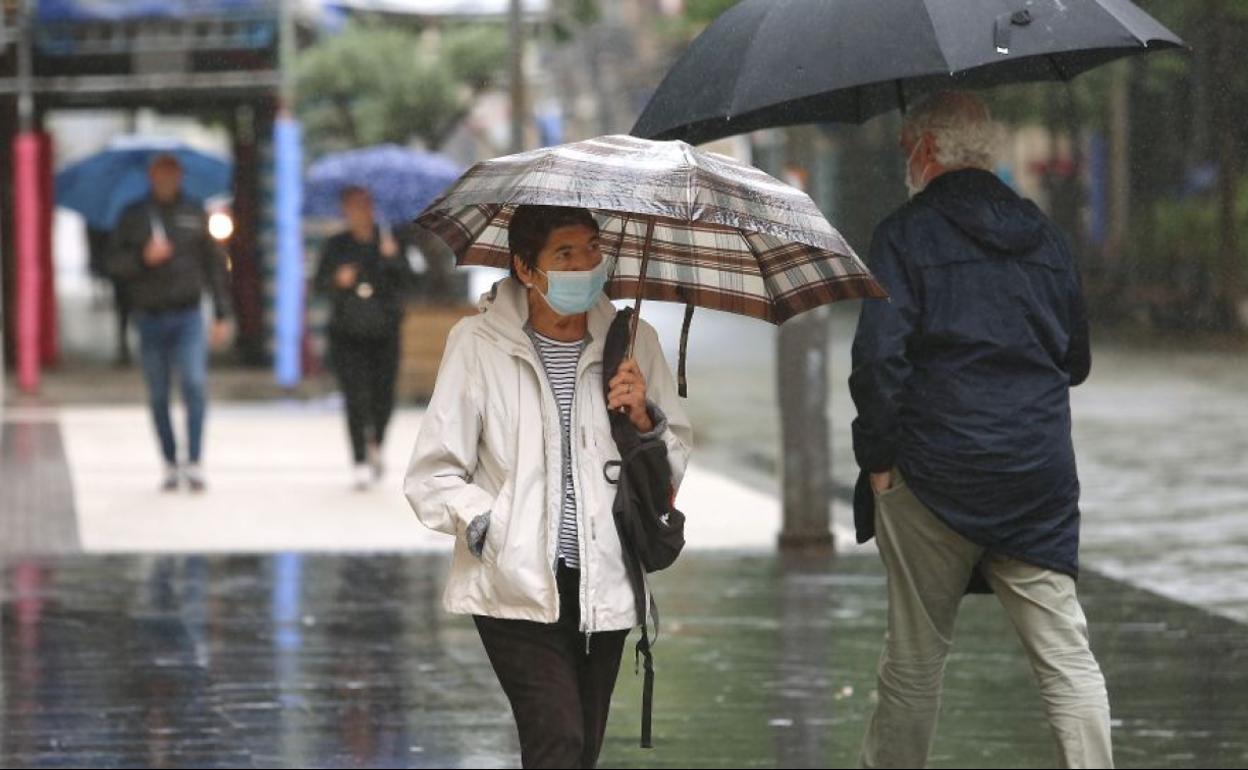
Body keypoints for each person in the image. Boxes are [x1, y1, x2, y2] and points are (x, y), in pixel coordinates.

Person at [848, 92, 1109, 769]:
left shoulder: (903, 235)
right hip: (1035, 477)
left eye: (909, 145)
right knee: (1066, 658)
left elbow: (879, 360)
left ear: (927, 150)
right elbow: (1075, 360)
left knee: (913, 661)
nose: (907, 157)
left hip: (933, 475)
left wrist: (878, 463)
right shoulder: (1044, 235)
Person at [404, 205, 692, 769]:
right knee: (557, 740)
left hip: (604, 581)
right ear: (526, 268)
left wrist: (642, 420)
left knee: (578, 749)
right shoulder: (477, 343)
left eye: (591, 247)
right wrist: (487, 525)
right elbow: (431, 474)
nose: (586, 263)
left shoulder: (634, 343)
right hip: (513, 584)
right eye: (565, 253)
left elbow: (673, 465)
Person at [108, 154, 232, 492]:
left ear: (180, 175)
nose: (167, 178)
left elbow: (213, 266)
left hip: (188, 314)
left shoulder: (194, 212)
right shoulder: (134, 216)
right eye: (160, 172)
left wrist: (221, 313)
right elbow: (114, 265)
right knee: (159, 392)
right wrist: (142, 259)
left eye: (172, 172)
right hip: (150, 316)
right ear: (151, 175)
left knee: (194, 384)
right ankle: (168, 459)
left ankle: (194, 460)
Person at [312, 186, 414, 490]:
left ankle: (376, 442)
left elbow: (411, 280)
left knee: (384, 395)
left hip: (385, 330)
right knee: (355, 396)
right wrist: (336, 280)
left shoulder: (391, 239)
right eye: (352, 206)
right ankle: (358, 458)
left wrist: (393, 258)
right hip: (347, 331)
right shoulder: (336, 245)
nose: (359, 212)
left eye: (364, 205)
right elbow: (319, 285)